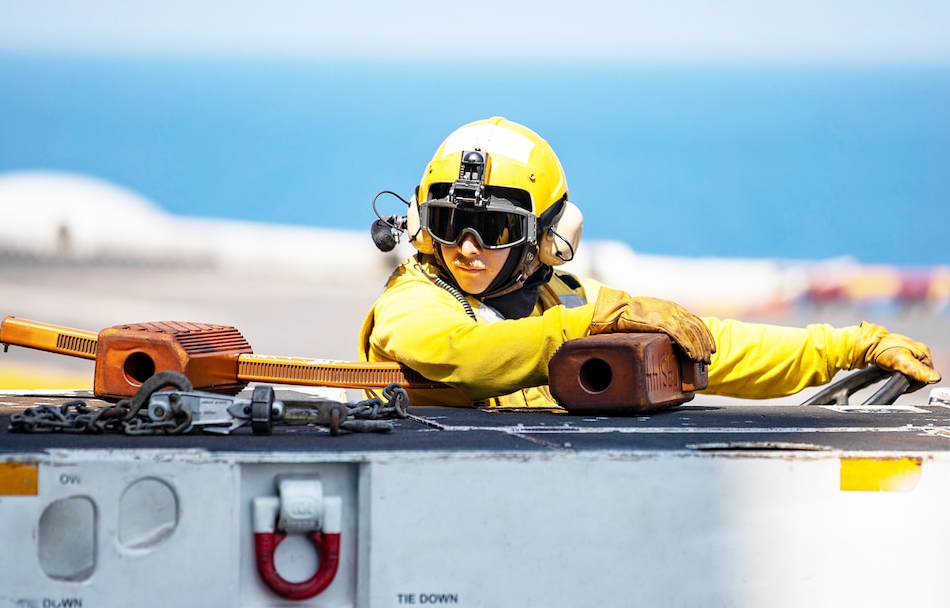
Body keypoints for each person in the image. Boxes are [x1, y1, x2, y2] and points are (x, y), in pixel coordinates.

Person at [359, 116, 941, 407]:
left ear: (549, 235)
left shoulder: (564, 302)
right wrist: (592, 327)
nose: (466, 246)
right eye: (448, 222)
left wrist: (847, 348)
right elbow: (464, 355)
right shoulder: (413, 301)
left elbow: (708, 345)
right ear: (421, 224)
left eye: (494, 227)